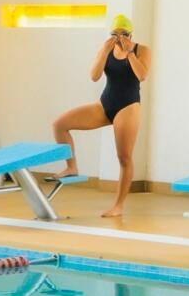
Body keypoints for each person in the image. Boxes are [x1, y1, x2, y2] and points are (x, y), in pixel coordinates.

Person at [53, 13, 149, 220]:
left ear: (131, 34)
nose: (119, 38)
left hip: (128, 107)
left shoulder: (142, 50)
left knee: (124, 158)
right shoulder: (106, 49)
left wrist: (130, 53)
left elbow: (142, 75)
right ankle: (71, 166)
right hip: (105, 105)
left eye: (123, 34)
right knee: (60, 124)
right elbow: (94, 76)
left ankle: (118, 205)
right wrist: (105, 50)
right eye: (115, 34)